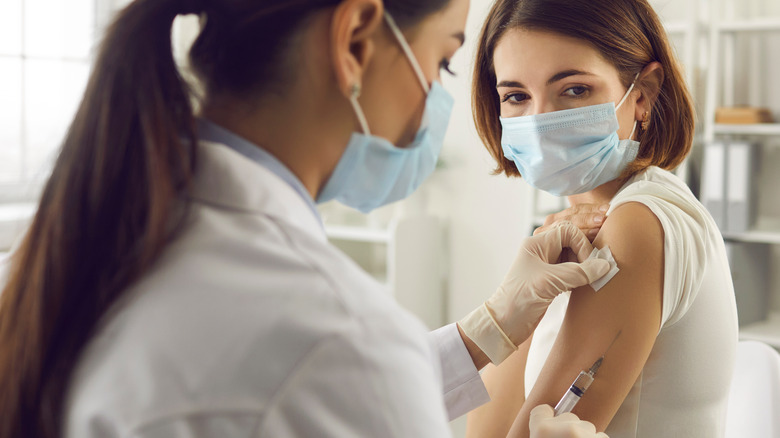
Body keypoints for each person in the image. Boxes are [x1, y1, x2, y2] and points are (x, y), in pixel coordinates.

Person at [0, 0, 612, 437]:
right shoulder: (338, 339)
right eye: (443, 61)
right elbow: (325, 378)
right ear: (354, 40)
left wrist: (494, 324)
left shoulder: (52, 254)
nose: (435, 95)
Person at [465, 0, 739, 437]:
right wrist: (516, 308)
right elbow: (485, 431)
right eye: (516, 96)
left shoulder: (637, 222)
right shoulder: (564, 234)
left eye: (574, 89)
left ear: (643, 94)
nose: (539, 121)